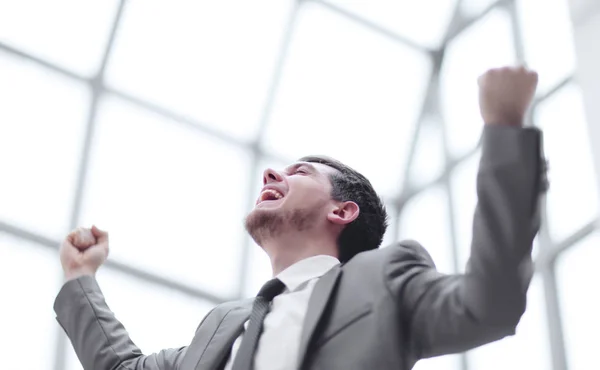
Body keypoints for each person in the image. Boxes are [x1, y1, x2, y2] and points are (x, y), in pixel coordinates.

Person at [55, 66, 546, 370]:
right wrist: (81, 277)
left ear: (342, 210)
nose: (271, 172)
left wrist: (505, 130)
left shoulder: (385, 280)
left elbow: (491, 304)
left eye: (301, 172)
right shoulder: (221, 327)